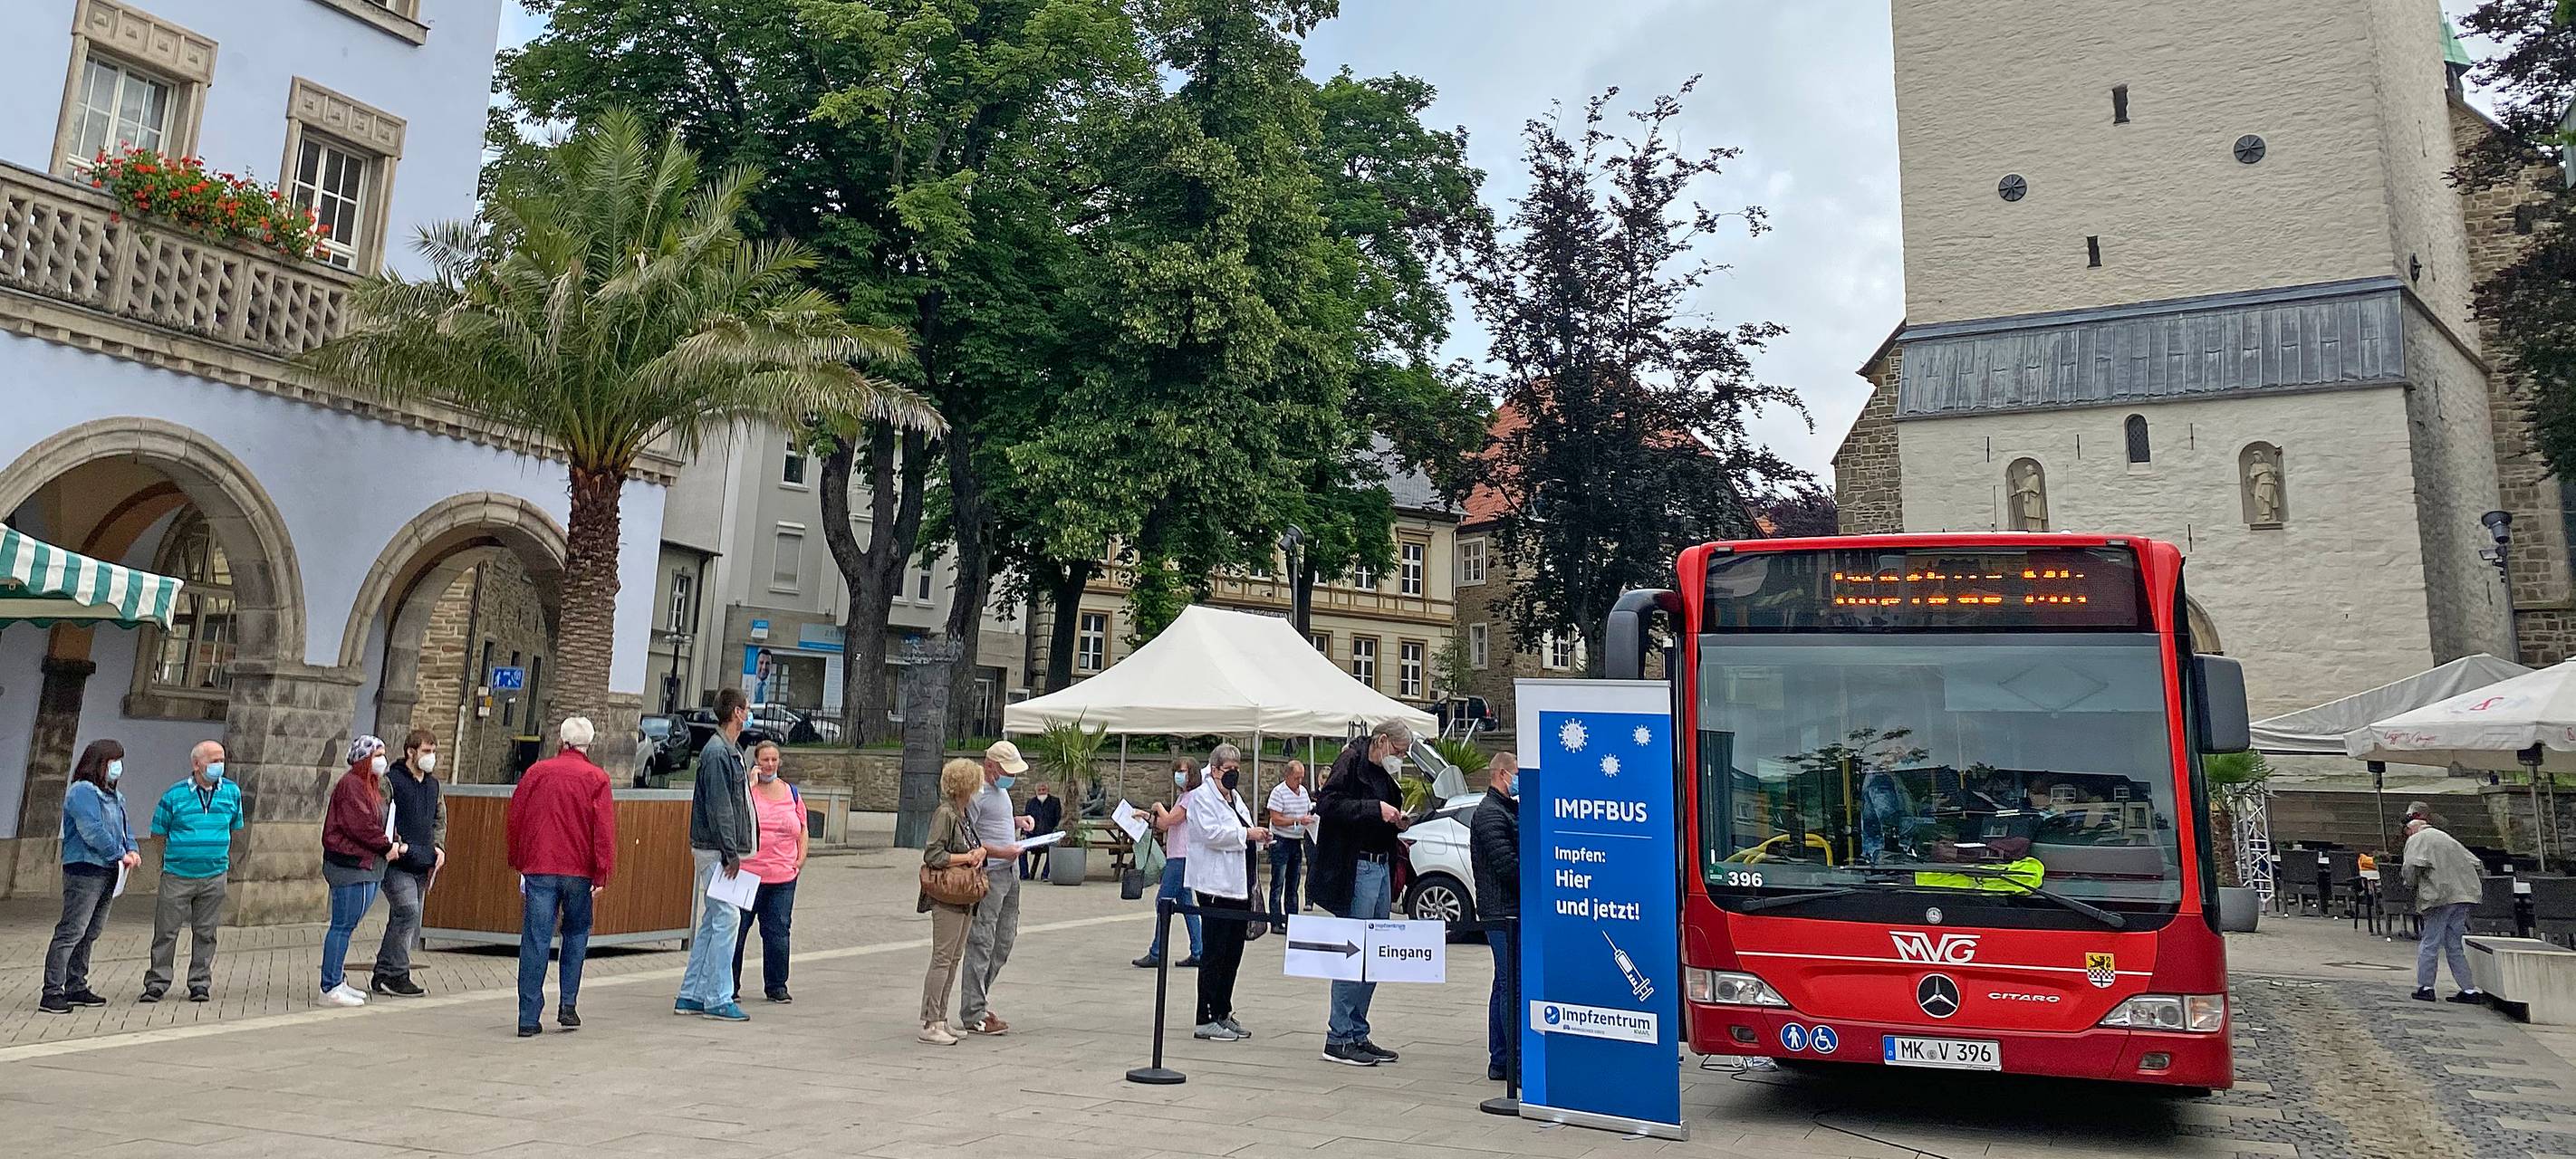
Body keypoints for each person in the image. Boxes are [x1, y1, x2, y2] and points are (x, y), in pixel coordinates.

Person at [1312, 721, 1415, 1067]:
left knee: (1376, 952)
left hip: (1381, 862)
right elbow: (1327, 805)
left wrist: (1397, 821)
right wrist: (1375, 809)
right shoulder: (1351, 761)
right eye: (1399, 752)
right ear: (1383, 741)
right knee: (1354, 951)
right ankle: (1338, 1035)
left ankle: (1358, 1029)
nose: (1400, 758)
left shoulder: (1384, 776)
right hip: (1356, 867)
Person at [509, 716, 618, 1037]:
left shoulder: (537, 772)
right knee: (576, 934)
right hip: (579, 871)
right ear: (589, 745)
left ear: (562, 741)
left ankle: (528, 1017)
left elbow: (517, 816)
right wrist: (602, 872)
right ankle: (568, 1004)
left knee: (535, 939)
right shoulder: (597, 778)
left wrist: (518, 859)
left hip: (540, 865)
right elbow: (604, 831)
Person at [678, 687, 758, 1022]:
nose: (749, 713)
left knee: (713, 920)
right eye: (746, 708)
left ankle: (693, 993)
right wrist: (730, 853)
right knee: (728, 917)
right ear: (737, 713)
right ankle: (717, 996)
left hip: (716, 849)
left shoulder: (728, 750)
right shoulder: (718, 753)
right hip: (715, 851)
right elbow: (721, 807)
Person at [41, 740, 137, 1014]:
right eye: (113, 761)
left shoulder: (115, 796)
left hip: (109, 870)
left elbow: (125, 828)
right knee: (72, 930)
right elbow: (91, 829)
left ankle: (76, 986)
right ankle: (52, 991)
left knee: (91, 931)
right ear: (99, 763)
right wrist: (119, 852)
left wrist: (133, 849)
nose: (118, 767)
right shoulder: (82, 792)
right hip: (84, 868)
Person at [142, 740, 242, 1003]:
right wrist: (173, 856)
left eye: (221, 760)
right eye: (213, 760)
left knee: (206, 933)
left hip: (214, 874)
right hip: (177, 875)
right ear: (196, 764)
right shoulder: (174, 795)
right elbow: (158, 833)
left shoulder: (232, 792)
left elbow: (234, 826)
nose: (219, 765)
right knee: (166, 931)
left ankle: (200, 983)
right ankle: (157, 982)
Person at [1186, 744, 1268, 1040]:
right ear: (1215, 769)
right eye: (1227, 769)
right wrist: (1247, 834)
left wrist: (1259, 835)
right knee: (1215, 952)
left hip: (1240, 884)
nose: (1233, 774)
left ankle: (1222, 1010)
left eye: (1237, 769)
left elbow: (1242, 827)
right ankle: (1204, 1016)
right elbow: (1211, 834)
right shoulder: (1201, 798)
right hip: (1214, 886)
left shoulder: (1234, 798)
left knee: (1234, 951)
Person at [320, 735, 406, 1008]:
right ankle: (329, 986)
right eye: (377, 754)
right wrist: (385, 846)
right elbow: (360, 826)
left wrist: (394, 840)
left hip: (369, 865)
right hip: (350, 864)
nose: (382, 760)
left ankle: (338, 979)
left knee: (349, 925)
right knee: (342, 925)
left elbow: (380, 820)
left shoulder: (373, 786)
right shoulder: (351, 785)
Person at [955, 740, 1031, 1037]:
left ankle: (979, 1000)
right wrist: (1002, 852)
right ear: (989, 766)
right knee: (983, 940)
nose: (1010, 776)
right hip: (991, 874)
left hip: (1009, 873)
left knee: (1005, 939)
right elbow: (968, 840)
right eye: (1005, 769)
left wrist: (1016, 822)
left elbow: (994, 822)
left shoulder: (1000, 790)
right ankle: (973, 1010)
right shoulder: (977, 793)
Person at [918, 758, 989, 1045]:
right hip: (947, 893)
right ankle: (930, 1020)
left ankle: (942, 1017)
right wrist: (967, 857)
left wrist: (979, 852)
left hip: (965, 895)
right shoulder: (945, 814)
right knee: (942, 958)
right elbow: (933, 855)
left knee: (953, 958)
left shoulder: (963, 813)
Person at [731, 741, 808, 1003]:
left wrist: (801, 857)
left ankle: (776, 985)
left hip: (783, 876)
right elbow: (736, 816)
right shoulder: (747, 792)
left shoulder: (791, 793)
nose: (770, 765)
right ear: (756, 762)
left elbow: (802, 827)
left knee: (778, 932)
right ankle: (729, 985)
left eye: (774, 760)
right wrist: (750, 786)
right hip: (748, 874)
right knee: (737, 931)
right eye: (765, 760)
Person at [372, 729, 447, 997]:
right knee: (408, 912)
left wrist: (438, 847)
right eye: (426, 751)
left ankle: (384, 971)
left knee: (405, 919)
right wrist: (393, 844)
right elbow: (381, 816)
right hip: (397, 862)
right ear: (410, 752)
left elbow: (439, 819)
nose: (431, 757)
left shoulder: (433, 786)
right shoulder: (392, 782)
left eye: (433, 751)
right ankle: (397, 973)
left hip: (422, 862)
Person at [1469, 752, 1522, 1081]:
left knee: (1502, 984)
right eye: (1516, 774)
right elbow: (1506, 864)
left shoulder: (1506, 809)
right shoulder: (1489, 813)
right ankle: (1513, 1062)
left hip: (1506, 909)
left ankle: (1500, 1058)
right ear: (1502, 774)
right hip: (1502, 911)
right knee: (1510, 985)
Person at [2403, 816, 2487, 1003]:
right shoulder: (2447, 839)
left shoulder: (2417, 839)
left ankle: (2426, 987)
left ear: (2411, 830)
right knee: (2454, 944)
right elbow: (2476, 863)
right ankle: (2468, 989)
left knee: (2430, 942)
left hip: (2439, 896)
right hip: (2462, 896)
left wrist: (2412, 884)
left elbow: (2411, 866)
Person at [1134, 761, 1205, 968]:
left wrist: (1157, 808)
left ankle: (1157, 952)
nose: (1178, 775)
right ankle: (1198, 950)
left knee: (1163, 901)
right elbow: (1165, 823)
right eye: (1177, 771)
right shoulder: (1183, 797)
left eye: (1182, 771)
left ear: (1192, 773)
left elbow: (1170, 820)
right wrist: (1146, 816)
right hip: (1179, 855)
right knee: (1186, 905)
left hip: (1181, 857)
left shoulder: (1191, 798)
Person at [1265, 759, 1316, 934]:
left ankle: (1292, 920)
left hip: (1296, 840)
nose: (1299, 782)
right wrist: (1297, 821)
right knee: (1278, 882)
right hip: (1281, 840)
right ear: (1287, 776)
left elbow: (1308, 810)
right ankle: (1276, 921)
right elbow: (1276, 818)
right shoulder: (1278, 792)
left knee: (1294, 883)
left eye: (1301, 778)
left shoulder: (1303, 792)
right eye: (1296, 778)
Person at [1020, 781, 1063, 880]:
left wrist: (1054, 834)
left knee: (1053, 847)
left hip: (1048, 835)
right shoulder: (1031, 803)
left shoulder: (1054, 802)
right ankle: (1024, 874)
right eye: (1039, 790)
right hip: (1034, 836)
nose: (1041, 792)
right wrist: (1024, 833)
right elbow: (1025, 820)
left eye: (1043, 790)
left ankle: (1045, 874)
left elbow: (1058, 820)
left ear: (1048, 790)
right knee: (1021, 848)